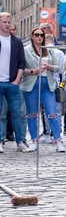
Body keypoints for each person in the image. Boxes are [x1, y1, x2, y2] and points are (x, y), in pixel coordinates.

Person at [21, 27, 65, 152]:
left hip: (48, 84)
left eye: (41, 35)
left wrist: (50, 67)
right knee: (32, 114)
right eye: (37, 35)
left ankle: (58, 141)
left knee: (52, 113)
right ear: (32, 36)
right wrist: (33, 71)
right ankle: (34, 141)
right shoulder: (25, 51)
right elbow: (20, 69)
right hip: (32, 83)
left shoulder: (48, 51)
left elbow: (58, 67)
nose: (39, 37)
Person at [0, 12, 31, 153]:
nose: (7, 25)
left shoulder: (17, 41)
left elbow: (21, 63)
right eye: (4, 22)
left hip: (12, 82)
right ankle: (1, 141)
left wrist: (17, 80)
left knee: (17, 114)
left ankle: (20, 141)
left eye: (9, 22)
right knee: (1, 114)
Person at [39, 34, 66, 144]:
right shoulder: (59, 53)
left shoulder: (42, 51)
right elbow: (63, 71)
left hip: (45, 82)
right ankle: (57, 133)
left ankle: (47, 133)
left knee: (46, 109)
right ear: (54, 42)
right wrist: (62, 85)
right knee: (57, 110)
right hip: (56, 83)